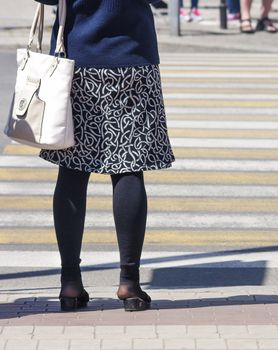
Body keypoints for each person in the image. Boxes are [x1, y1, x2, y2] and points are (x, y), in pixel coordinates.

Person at [36, 0, 175, 312]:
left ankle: (70, 282)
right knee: (129, 168)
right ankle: (130, 282)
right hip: (132, 57)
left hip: (75, 59)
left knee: (71, 171)